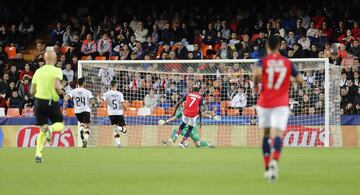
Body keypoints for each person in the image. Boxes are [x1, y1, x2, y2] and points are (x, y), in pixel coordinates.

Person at [253, 35, 303, 181]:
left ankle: (267, 167)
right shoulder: (287, 62)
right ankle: (275, 161)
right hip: (281, 104)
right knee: (278, 135)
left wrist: (256, 85)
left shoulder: (262, 62)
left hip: (265, 104)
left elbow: (256, 75)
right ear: (280, 46)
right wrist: (290, 78)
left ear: (267, 46)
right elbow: (300, 80)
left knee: (266, 135)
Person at [31, 48, 65, 163]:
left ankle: (38, 154)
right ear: (55, 58)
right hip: (51, 102)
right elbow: (57, 86)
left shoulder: (38, 71)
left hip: (39, 102)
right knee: (60, 124)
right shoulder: (57, 70)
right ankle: (51, 129)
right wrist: (62, 92)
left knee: (42, 128)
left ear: (45, 58)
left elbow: (32, 91)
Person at [63, 78, 95, 148]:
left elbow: (66, 99)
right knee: (87, 127)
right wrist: (92, 104)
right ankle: (85, 139)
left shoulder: (73, 91)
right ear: (84, 83)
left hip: (77, 111)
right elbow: (92, 101)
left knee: (81, 123)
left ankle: (81, 129)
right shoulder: (87, 91)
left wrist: (64, 108)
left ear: (77, 83)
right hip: (86, 110)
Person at [98, 80, 127, 148]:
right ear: (116, 85)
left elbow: (101, 102)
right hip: (119, 113)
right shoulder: (120, 94)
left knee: (115, 130)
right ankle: (119, 143)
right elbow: (123, 104)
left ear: (110, 86)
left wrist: (98, 98)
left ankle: (119, 144)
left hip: (111, 114)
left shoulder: (106, 94)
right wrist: (125, 108)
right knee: (124, 130)